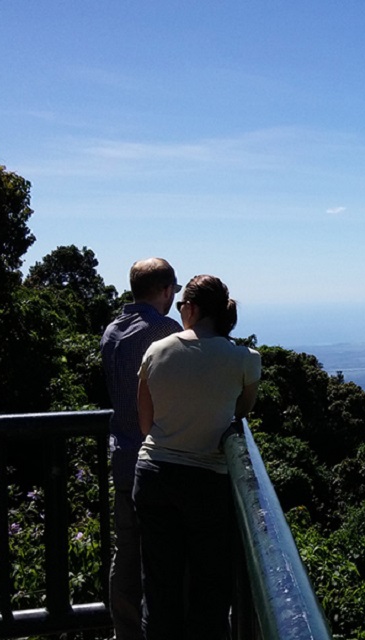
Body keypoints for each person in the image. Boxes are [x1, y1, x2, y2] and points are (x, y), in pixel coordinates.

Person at [133, 274, 261, 639]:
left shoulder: (156, 351)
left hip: (154, 475)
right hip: (208, 480)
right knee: (210, 589)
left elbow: (145, 422)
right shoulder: (244, 359)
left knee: (159, 588)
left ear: (192, 308)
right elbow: (241, 410)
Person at [100, 258, 183, 640]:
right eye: (173, 292)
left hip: (120, 453)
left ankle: (126, 632)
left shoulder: (112, 329)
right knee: (166, 557)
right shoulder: (164, 329)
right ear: (165, 290)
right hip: (155, 460)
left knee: (126, 550)